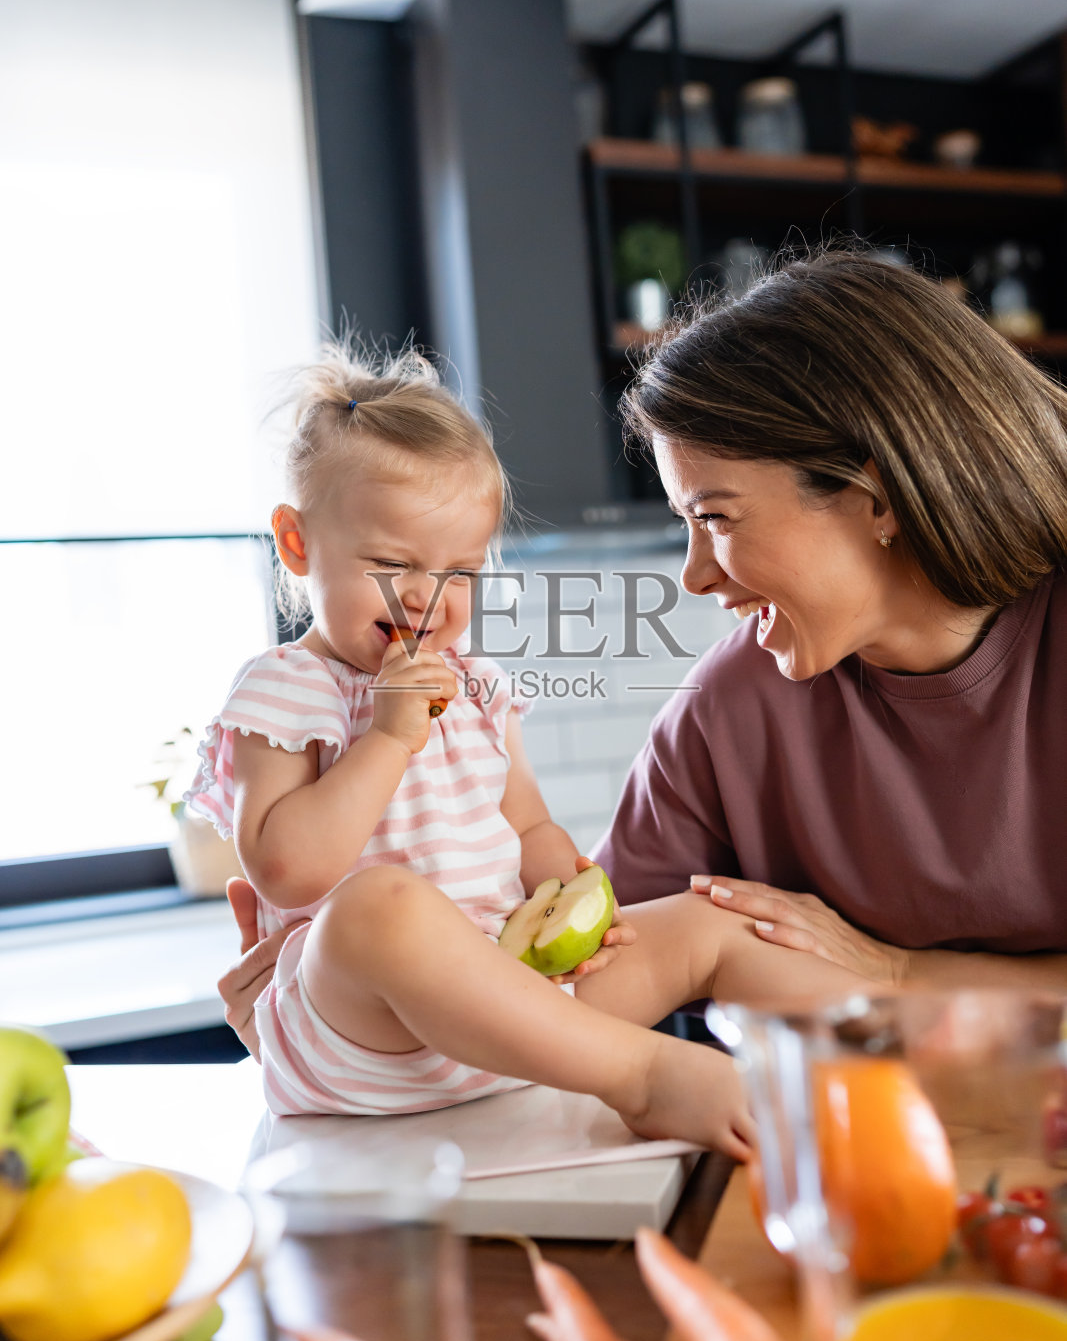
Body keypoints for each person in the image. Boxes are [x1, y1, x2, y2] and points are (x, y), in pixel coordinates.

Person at [191, 342, 874, 1157]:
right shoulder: (283, 691)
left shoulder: (477, 687)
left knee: (716, 922)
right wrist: (387, 737)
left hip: (516, 1010)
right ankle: (643, 1074)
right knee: (377, 908)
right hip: (362, 1043)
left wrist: (575, 896)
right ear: (298, 545)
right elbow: (286, 870)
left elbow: (530, 829)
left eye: (460, 573)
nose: (426, 597)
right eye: (392, 564)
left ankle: (882, 1098)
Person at [596, 249, 1067, 985]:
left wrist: (899, 976)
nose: (694, 576)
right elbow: (593, 962)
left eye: (714, 517)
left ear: (873, 497)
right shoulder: (731, 707)